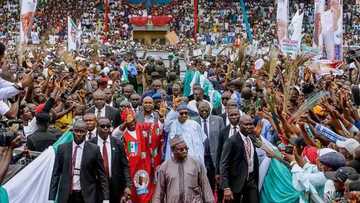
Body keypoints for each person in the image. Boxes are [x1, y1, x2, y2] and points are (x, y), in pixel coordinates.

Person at [49, 119, 110, 203]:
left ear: (86, 132)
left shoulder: (94, 149)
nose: (78, 134)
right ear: (72, 131)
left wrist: (106, 198)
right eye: (76, 131)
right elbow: (56, 174)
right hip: (66, 195)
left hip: (86, 195)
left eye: (82, 132)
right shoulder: (62, 148)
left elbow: (102, 175)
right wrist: (51, 198)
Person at [152, 135, 214, 203]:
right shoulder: (165, 167)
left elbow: (206, 187)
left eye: (186, 148)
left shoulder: (196, 164)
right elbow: (159, 192)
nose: (184, 151)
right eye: (181, 149)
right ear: (173, 150)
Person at [89, 117, 132, 203]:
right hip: (97, 186)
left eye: (108, 126)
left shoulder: (117, 143)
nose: (105, 128)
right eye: (102, 126)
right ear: (97, 127)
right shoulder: (90, 144)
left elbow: (125, 166)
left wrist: (127, 186)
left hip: (115, 187)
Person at [220, 115, 259, 203]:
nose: (249, 127)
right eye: (246, 124)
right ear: (240, 125)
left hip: (251, 182)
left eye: (251, 124)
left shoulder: (252, 139)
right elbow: (224, 164)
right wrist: (226, 187)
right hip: (236, 183)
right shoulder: (232, 141)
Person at [120, 110, 154, 202]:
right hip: (130, 170)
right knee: (131, 195)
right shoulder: (123, 134)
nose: (133, 124)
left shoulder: (141, 127)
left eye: (134, 121)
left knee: (143, 195)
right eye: (130, 122)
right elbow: (115, 134)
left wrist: (162, 119)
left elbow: (155, 126)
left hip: (142, 169)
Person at [193, 101, 225, 190]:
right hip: (200, 156)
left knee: (214, 182)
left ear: (210, 110)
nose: (204, 111)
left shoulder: (219, 120)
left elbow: (223, 139)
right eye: (201, 109)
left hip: (214, 157)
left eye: (206, 109)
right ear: (197, 110)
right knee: (200, 182)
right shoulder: (192, 121)